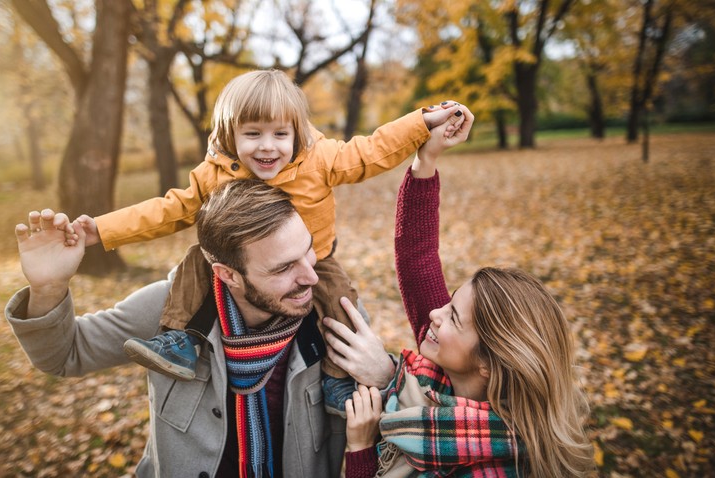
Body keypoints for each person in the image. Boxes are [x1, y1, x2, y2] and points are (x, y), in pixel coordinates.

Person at [63, 69, 465, 414]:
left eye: (280, 133)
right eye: (252, 134)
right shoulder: (217, 174)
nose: (267, 146)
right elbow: (170, 210)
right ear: (230, 134)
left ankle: (338, 378)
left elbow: (372, 149)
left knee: (340, 303)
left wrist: (423, 123)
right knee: (194, 262)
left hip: (317, 257)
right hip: (237, 261)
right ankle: (181, 338)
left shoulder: (320, 159)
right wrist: (103, 229)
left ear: (296, 133)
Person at [6, 179, 396, 478]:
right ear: (228, 275)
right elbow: (63, 355)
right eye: (283, 268)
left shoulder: (334, 314)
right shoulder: (168, 310)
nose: (310, 275)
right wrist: (49, 288)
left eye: (307, 250)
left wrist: (386, 374)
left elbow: (399, 425)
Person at [322, 116, 596, 477]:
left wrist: (360, 448)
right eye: (450, 301)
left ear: (488, 362)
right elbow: (418, 259)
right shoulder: (448, 370)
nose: (435, 313)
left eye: (453, 316)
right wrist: (427, 158)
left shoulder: (484, 467)